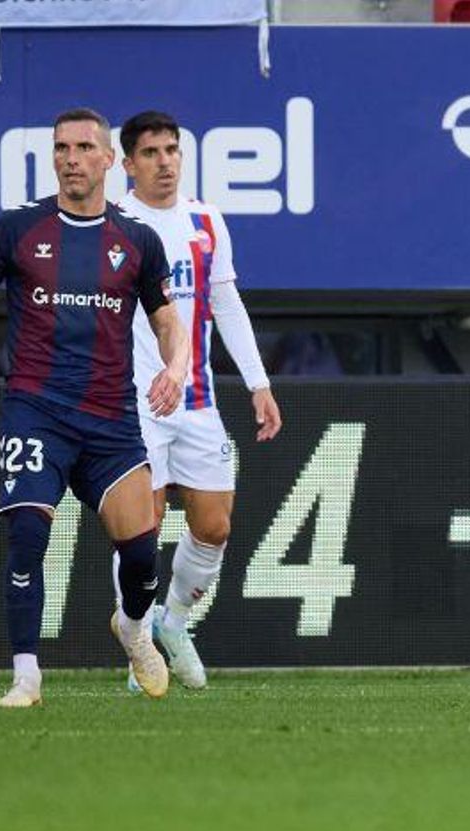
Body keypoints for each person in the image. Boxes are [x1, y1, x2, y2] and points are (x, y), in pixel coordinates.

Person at [0, 108, 187, 707]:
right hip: (36, 410)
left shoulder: (137, 240)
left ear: (109, 160)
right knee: (28, 532)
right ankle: (26, 676)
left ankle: (133, 628)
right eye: (62, 147)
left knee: (142, 555)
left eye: (84, 147)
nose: (71, 158)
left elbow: (169, 321)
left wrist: (176, 367)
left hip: (111, 420)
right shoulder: (16, 228)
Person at [114, 110, 283, 690]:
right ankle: (140, 650)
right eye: (151, 153)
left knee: (214, 526)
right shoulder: (114, 225)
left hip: (198, 400)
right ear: (128, 164)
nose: (164, 162)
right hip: (134, 403)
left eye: (172, 150)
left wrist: (258, 383)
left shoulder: (206, 220)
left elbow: (225, 303)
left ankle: (173, 622)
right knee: (142, 529)